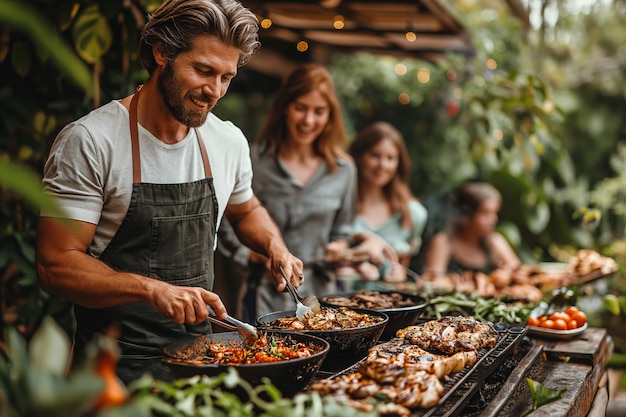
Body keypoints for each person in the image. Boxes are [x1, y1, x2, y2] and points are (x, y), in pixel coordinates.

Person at [35, 0, 304, 384]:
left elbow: (245, 210)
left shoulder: (227, 141)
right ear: (162, 52)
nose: (214, 91)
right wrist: (149, 289)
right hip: (112, 372)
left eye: (226, 77)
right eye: (203, 70)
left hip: (202, 364)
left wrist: (274, 246)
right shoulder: (92, 141)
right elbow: (54, 263)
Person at [216, 63, 396, 319]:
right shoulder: (255, 158)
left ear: (330, 115)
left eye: (319, 111)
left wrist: (339, 246)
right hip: (266, 291)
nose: (308, 120)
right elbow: (227, 221)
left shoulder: (344, 170)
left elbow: (342, 229)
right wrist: (251, 254)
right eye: (300, 108)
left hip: (324, 293)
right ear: (284, 108)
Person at [348, 121, 428, 283]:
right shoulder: (339, 205)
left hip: (387, 305)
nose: (382, 165)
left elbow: (402, 268)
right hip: (335, 302)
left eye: (390, 158)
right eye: (374, 155)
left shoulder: (413, 214)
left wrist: (397, 275)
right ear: (359, 156)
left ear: (399, 163)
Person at [423, 181, 520, 278]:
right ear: (465, 216)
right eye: (485, 213)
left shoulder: (494, 242)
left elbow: (520, 275)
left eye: (495, 213)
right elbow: (432, 280)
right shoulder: (444, 242)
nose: (493, 220)